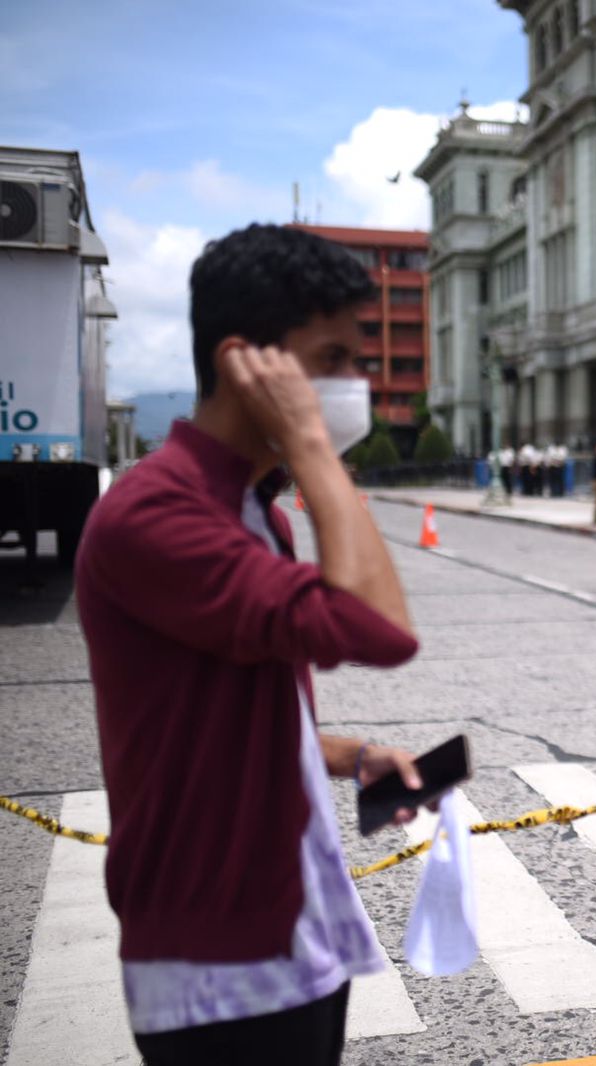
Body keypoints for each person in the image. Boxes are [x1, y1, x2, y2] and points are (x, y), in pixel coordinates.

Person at [74, 224, 429, 1065]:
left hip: (293, 923)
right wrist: (313, 448)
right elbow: (378, 630)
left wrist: (346, 754)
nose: (355, 383)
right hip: (218, 962)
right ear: (245, 362)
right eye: (334, 358)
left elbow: (222, 700)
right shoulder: (155, 513)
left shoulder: (253, 510)